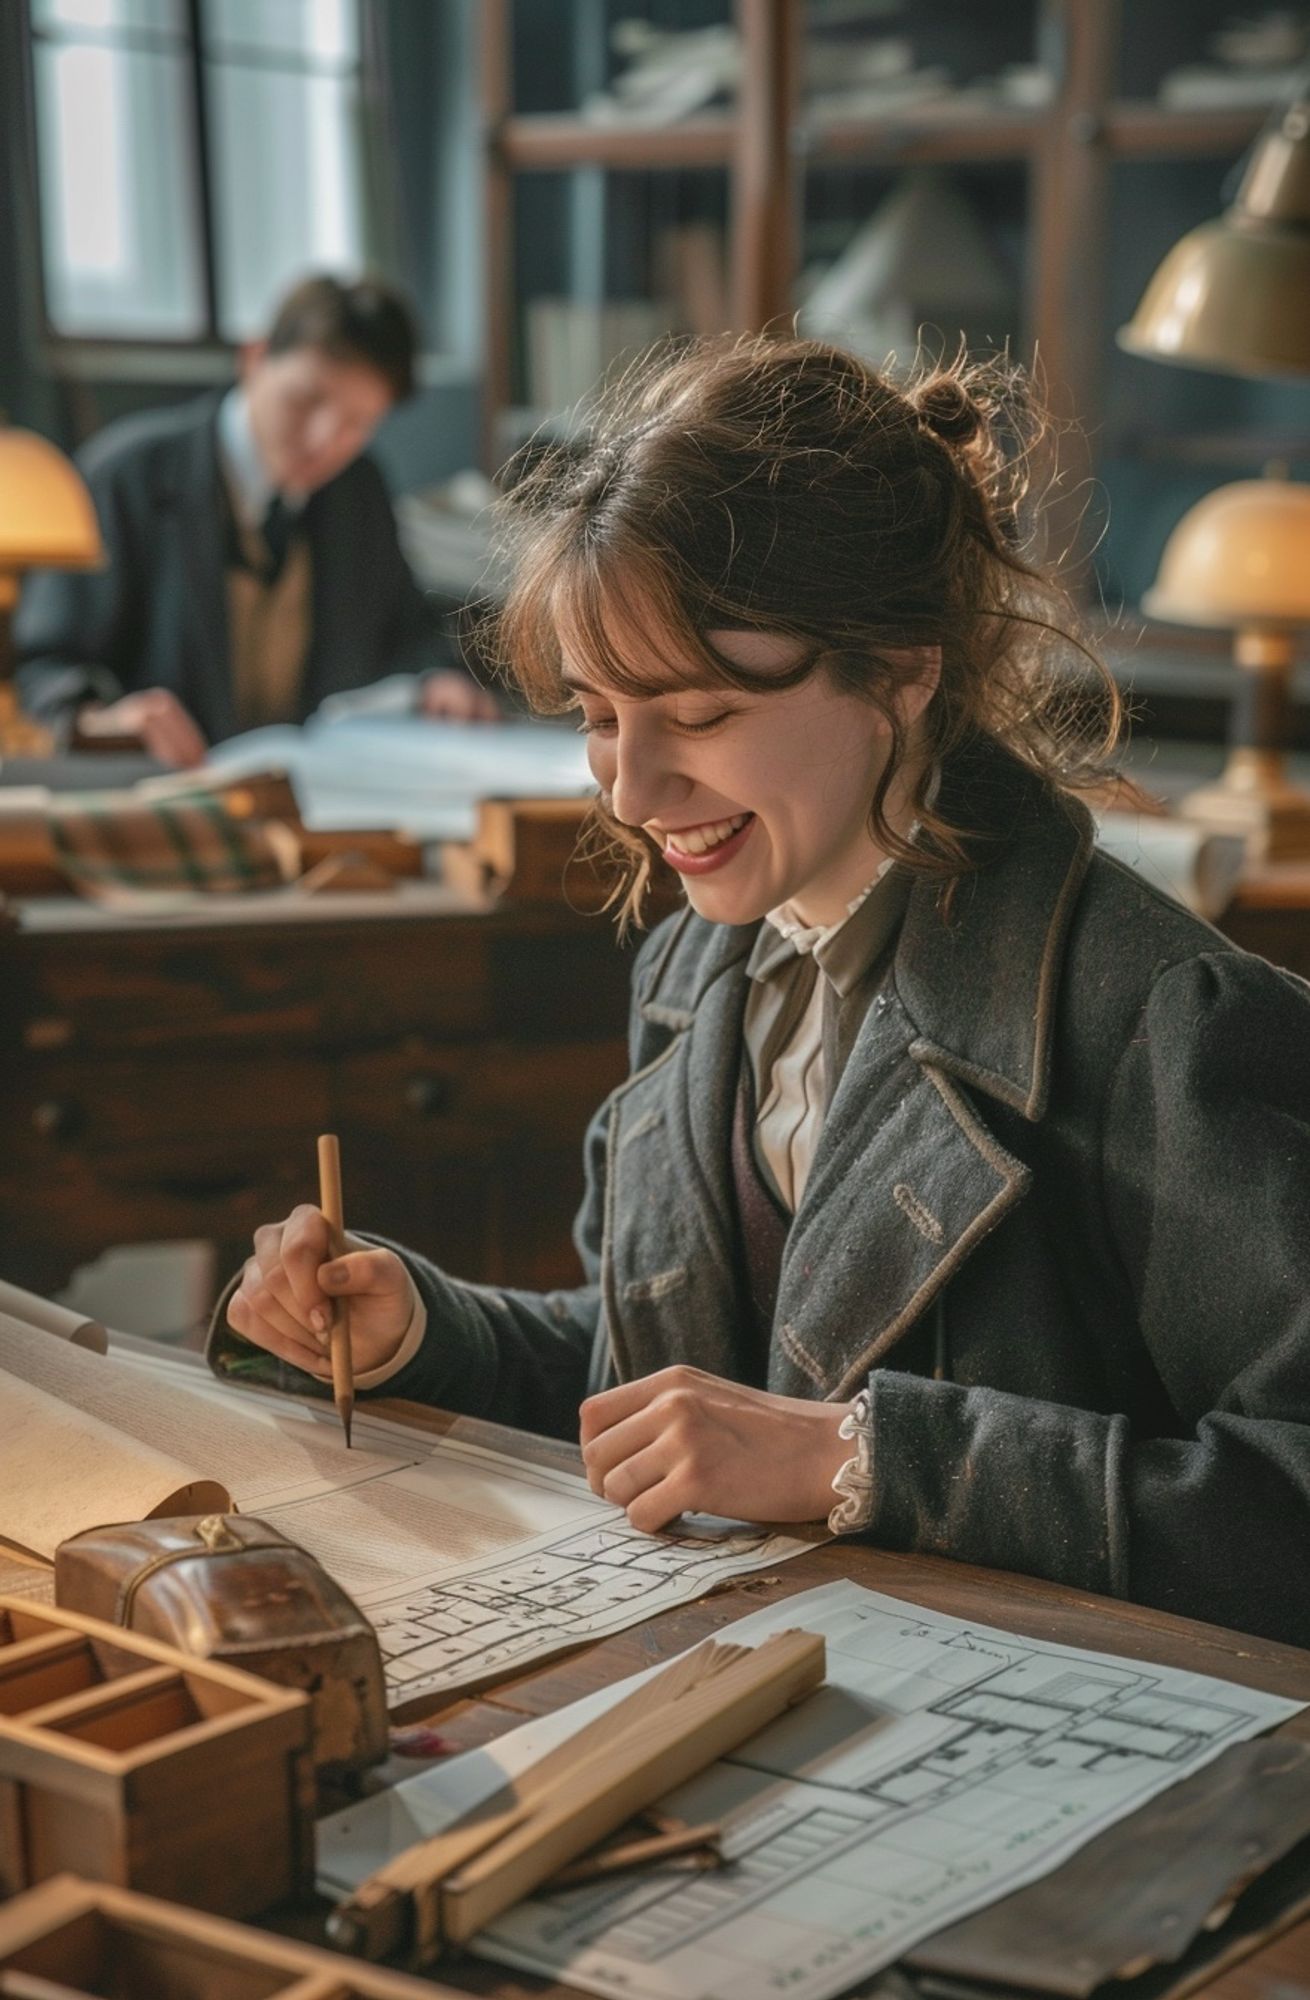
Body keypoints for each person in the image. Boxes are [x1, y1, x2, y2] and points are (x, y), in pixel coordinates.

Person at [208, 334, 1310, 1649]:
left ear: (898, 670)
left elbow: (1283, 1501)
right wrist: (416, 1329)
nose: (628, 792)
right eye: (597, 716)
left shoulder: (1164, 1019)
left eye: (699, 713)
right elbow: (700, 1386)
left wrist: (865, 1460)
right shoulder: (706, 964)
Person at [15, 274, 497, 767]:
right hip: (159, 803)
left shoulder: (358, 489)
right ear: (255, 358)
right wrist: (105, 719)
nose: (324, 439)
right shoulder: (127, 476)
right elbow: (43, 665)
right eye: (307, 400)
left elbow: (407, 628)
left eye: (357, 423)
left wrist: (437, 678)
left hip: (309, 801)